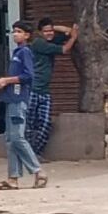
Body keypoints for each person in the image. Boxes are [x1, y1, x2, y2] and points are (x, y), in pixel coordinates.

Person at [0, 21, 47, 190]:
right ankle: (13, 178)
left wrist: (6, 80)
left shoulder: (25, 52)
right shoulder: (17, 52)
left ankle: (38, 171)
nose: (15, 34)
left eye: (19, 31)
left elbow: (28, 76)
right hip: (11, 99)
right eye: (14, 31)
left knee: (17, 137)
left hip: (19, 100)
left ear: (27, 35)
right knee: (10, 140)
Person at [26, 18, 78, 156]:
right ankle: (29, 154)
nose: (49, 33)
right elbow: (65, 49)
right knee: (30, 124)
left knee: (45, 123)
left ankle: (36, 153)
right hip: (33, 89)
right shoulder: (39, 44)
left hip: (44, 90)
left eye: (51, 31)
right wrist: (73, 38)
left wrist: (54, 28)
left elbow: (68, 31)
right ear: (39, 32)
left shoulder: (50, 40)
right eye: (46, 31)